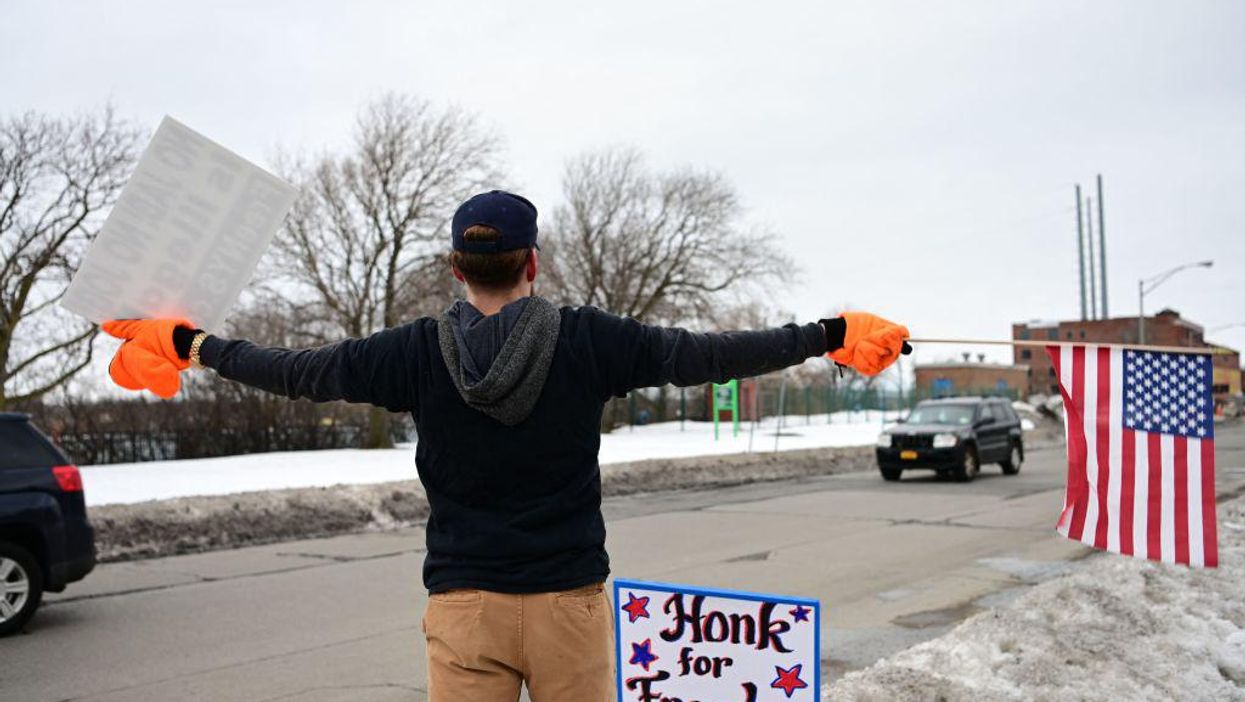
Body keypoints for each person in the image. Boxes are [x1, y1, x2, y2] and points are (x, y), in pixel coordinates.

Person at [102, 189, 910, 702]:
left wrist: (193, 344)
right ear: (532, 262)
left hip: (464, 611)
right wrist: (826, 334)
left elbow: (295, 372)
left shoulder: (412, 352)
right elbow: (705, 355)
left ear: (458, 268)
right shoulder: (592, 341)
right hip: (567, 605)